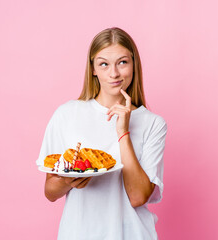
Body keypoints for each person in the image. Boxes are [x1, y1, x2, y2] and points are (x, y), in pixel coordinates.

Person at [36, 27, 167, 240]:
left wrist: (123, 132)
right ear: (93, 69)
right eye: (104, 64)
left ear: (134, 64)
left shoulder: (153, 123)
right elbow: (50, 191)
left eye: (122, 62)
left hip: (131, 234)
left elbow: (138, 197)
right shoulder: (67, 114)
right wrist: (70, 180)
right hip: (79, 233)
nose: (114, 73)